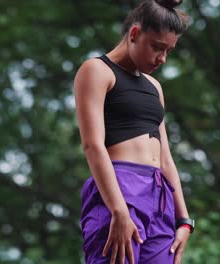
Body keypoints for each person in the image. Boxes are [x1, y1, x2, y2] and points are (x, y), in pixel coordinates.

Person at [73, 0, 195, 263]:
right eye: (157, 47)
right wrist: (118, 209)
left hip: (160, 198)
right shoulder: (97, 70)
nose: (162, 58)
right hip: (119, 189)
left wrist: (184, 220)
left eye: (168, 51)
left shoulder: (154, 87)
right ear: (135, 34)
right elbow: (93, 145)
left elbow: (165, 158)